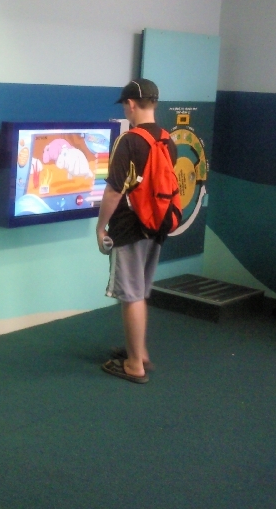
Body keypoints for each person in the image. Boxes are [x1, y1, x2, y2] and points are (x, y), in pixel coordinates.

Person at [95, 79, 177, 384]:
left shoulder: (129, 141)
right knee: (140, 291)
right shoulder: (168, 139)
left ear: (131, 104)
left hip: (129, 228)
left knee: (130, 296)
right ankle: (139, 352)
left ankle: (134, 365)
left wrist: (101, 225)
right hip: (157, 226)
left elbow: (114, 192)